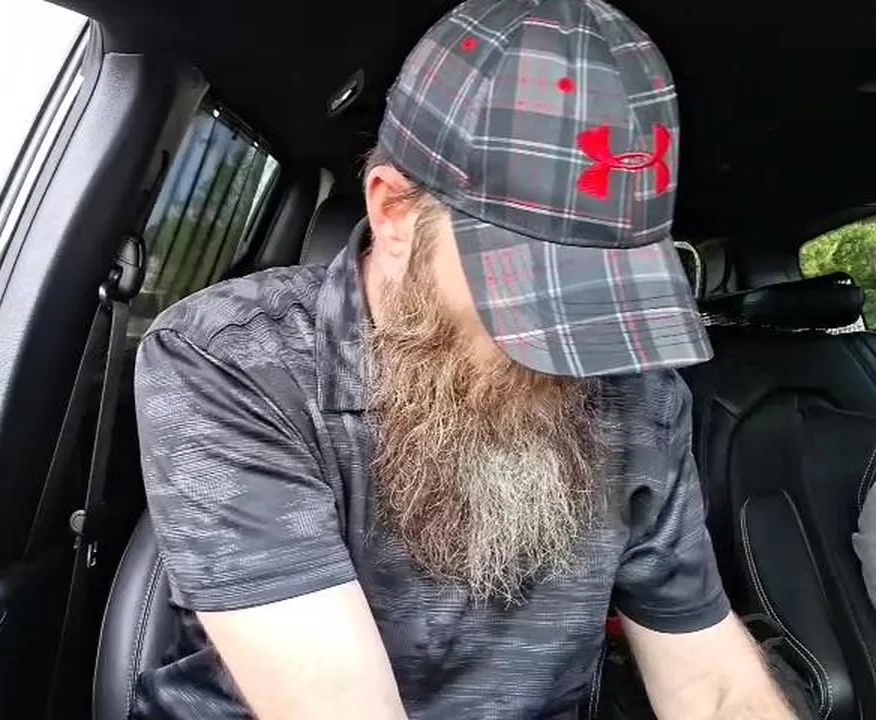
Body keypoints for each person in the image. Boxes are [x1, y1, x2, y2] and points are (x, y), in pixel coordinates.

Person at [132, 0, 816, 717]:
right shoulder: (235, 362)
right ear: (394, 213)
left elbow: (712, 685)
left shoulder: (640, 395)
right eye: (535, 286)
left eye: (604, 290)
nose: (576, 348)